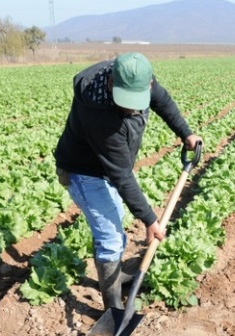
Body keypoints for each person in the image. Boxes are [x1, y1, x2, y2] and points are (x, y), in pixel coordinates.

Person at [53, 52, 202, 312]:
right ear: (111, 83)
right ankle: (113, 308)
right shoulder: (98, 116)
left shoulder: (139, 77)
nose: (132, 108)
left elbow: (163, 101)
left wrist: (186, 133)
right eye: (126, 102)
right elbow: (121, 175)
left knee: (116, 218)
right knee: (110, 236)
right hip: (83, 172)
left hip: (105, 169)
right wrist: (149, 219)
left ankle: (117, 276)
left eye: (137, 101)